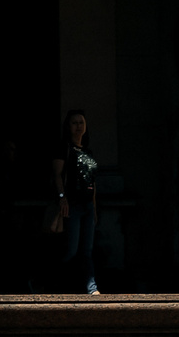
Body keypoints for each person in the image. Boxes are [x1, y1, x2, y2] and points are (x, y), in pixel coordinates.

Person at [49, 109, 101, 294]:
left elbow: (92, 182)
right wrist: (63, 199)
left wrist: (94, 208)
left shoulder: (88, 151)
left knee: (87, 250)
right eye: (74, 123)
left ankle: (91, 288)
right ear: (68, 127)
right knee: (71, 250)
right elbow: (57, 175)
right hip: (73, 205)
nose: (79, 126)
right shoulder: (65, 148)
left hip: (87, 205)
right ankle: (50, 282)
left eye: (81, 123)